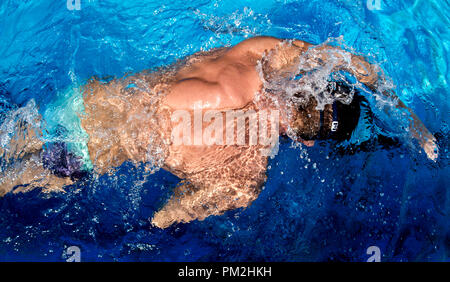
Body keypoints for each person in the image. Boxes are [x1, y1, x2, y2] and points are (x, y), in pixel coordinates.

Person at [0, 36, 438, 228]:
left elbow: (348, 59)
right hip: (81, 156)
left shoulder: (255, 57)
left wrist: (410, 118)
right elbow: (160, 218)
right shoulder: (246, 176)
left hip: (80, 100)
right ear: (305, 142)